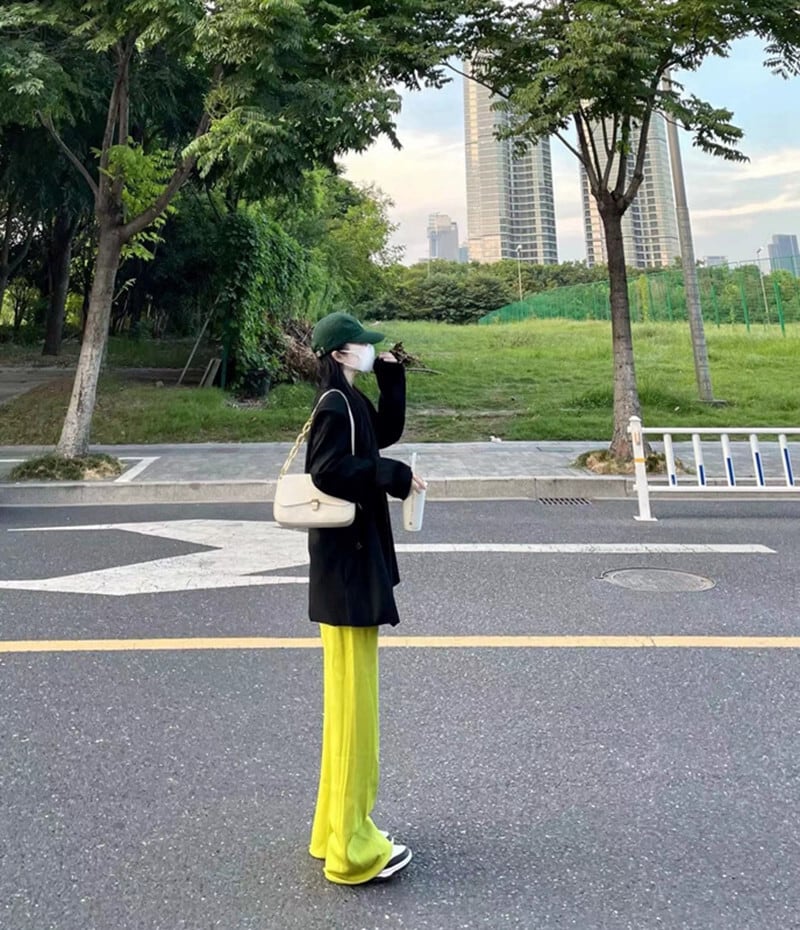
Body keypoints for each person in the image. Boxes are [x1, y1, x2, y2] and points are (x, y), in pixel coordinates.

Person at [304, 311, 426, 885]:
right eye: (364, 347)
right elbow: (328, 471)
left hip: (347, 569)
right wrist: (392, 477)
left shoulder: (349, 398)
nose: (370, 351)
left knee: (346, 711)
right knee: (355, 717)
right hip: (349, 570)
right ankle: (354, 852)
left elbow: (383, 435)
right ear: (340, 354)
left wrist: (391, 376)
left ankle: (332, 831)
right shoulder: (334, 405)